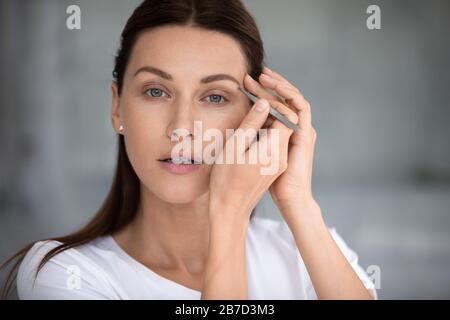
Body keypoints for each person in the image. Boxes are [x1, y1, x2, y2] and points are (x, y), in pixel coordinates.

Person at [2, 0, 377, 300]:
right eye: (156, 91)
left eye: (215, 96)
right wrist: (228, 215)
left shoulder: (307, 252)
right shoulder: (64, 275)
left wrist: (297, 201)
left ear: (256, 116)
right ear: (118, 107)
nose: (182, 128)